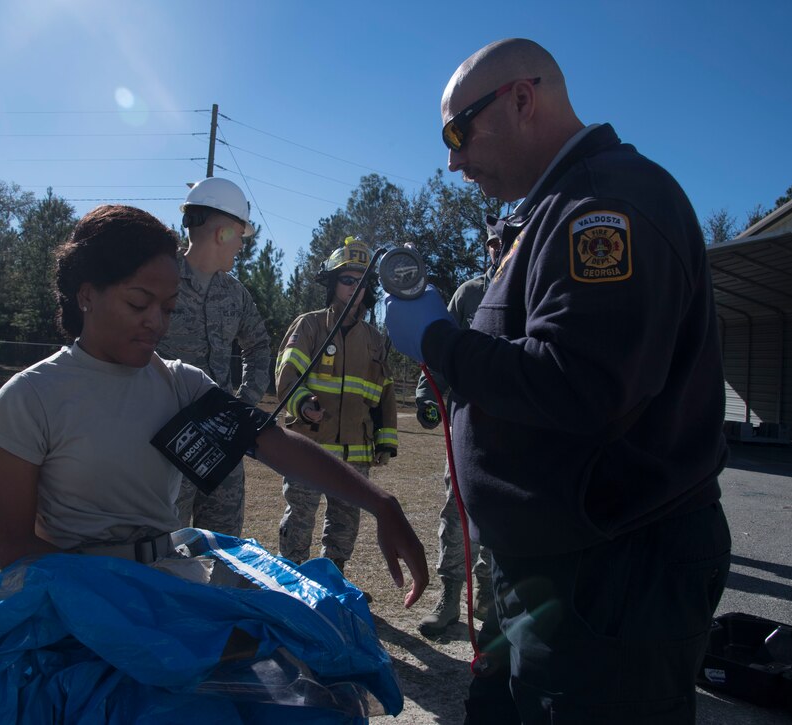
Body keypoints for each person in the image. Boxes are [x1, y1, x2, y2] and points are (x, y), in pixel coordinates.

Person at [384, 39, 731, 723]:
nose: (451, 159)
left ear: (521, 98)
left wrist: (438, 340)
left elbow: (581, 385)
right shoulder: (548, 213)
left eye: (458, 131)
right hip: (550, 566)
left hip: (611, 576)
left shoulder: (605, 202)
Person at [0, 205, 427, 608]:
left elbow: (270, 441)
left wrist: (382, 503)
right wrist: (117, 597)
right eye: (139, 303)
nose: (156, 321)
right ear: (86, 294)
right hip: (75, 603)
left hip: (167, 588)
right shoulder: (31, 396)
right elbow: (13, 545)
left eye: (169, 308)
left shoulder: (180, 384)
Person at [275, 237, 398, 587]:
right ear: (331, 283)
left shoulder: (375, 340)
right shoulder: (309, 326)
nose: (354, 289)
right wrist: (302, 404)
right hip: (309, 446)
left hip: (354, 452)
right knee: (299, 516)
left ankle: (333, 579)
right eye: (347, 280)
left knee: (346, 521)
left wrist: (385, 440)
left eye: (361, 282)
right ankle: (290, 581)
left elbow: (385, 393)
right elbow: (287, 376)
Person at [156, 177, 270, 538]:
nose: (241, 246)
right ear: (222, 233)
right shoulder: (159, 281)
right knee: (164, 551)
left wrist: (244, 402)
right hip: (162, 444)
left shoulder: (234, 294)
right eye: (239, 235)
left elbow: (259, 346)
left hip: (222, 444)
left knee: (224, 551)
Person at [415, 224, 499, 639]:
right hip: (464, 426)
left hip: (511, 432)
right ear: (485, 248)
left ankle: (488, 597)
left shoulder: (529, 290)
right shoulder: (468, 293)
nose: (498, 251)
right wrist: (428, 396)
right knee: (456, 511)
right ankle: (450, 596)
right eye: (492, 244)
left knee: (500, 516)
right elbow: (439, 347)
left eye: (507, 243)